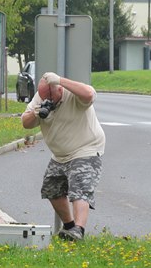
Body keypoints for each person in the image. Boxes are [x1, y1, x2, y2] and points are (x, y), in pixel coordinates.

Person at [21, 72, 106, 241]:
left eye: (51, 97)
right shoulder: (41, 98)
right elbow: (25, 123)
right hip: (60, 155)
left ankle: (79, 230)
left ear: (59, 89)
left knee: (79, 187)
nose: (49, 101)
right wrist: (37, 113)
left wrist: (60, 80)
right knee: (51, 188)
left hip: (85, 148)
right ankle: (69, 227)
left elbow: (89, 94)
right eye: (44, 97)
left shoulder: (72, 94)